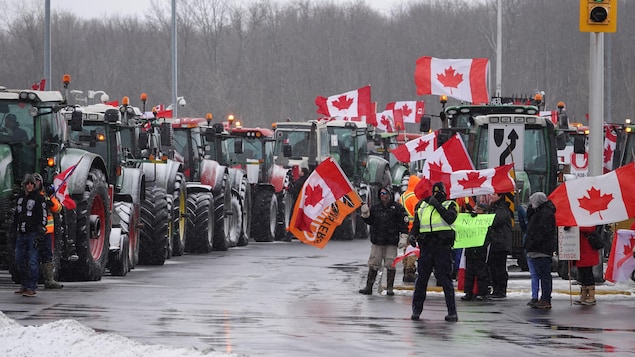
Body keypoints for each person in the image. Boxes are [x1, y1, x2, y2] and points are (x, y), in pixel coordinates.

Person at [409, 182, 459, 322]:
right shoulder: (422, 205)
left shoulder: (450, 204)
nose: (437, 194)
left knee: (445, 279)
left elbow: (450, 218)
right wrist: (412, 235)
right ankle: (416, 310)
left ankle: (452, 312)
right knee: (421, 280)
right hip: (426, 247)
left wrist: (437, 205)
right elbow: (417, 225)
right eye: (434, 191)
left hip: (442, 247)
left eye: (439, 191)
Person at [359, 186, 409, 296]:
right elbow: (370, 221)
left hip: (391, 241)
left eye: (385, 193)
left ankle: (390, 287)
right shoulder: (375, 208)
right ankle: (369, 286)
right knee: (373, 263)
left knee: (390, 264)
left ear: (390, 195)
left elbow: (403, 224)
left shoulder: (398, 208)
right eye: (381, 193)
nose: (383, 196)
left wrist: (404, 237)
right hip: (377, 241)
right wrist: (365, 214)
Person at [12, 174, 48, 297]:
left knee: (33, 260)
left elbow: (43, 215)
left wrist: (41, 229)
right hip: (21, 234)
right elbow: (16, 215)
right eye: (27, 183)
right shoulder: (20, 198)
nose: (29, 186)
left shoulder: (39, 198)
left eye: (32, 184)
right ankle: (24, 284)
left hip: (33, 234)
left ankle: (32, 287)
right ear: (24, 185)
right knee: (19, 259)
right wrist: (13, 230)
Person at [524, 192, 557, 309]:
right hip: (538, 248)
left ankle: (545, 299)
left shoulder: (545, 214)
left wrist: (533, 241)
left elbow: (542, 232)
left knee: (544, 275)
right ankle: (544, 298)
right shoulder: (541, 212)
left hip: (540, 249)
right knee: (541, 274)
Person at [33, 173, 64, 289]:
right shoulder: (30, 196)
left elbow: (58, 208)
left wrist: (51, 203)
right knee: (33, 256)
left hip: (46, 231)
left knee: (47, 255)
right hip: (34, 231)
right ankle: (32, 280)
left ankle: (49, 279)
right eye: (33, 181)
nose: (35, 183)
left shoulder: (47, 196)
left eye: (37, 181)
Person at [462, 203, 491, 301]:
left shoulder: (486, 221)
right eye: (476, 209)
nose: (476, 211)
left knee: (481, 272)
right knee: (469, 273)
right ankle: (468, 292)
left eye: (479, 209)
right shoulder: (472, 219)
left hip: (480, 250)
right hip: (470, 249)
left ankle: (482, 292)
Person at [486, 192, 513, 299]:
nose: (491, 196)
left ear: (500, 196)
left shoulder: (502, 209)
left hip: (500, 243)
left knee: (499, 268)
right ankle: (496, 289)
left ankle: (500, 290)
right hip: (495, 242)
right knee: (494, 267)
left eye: (494, 194)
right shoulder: (495, 208)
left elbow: (494, 221)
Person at [399, 175, 421, 283]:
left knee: (406, 250)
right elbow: (417, 213)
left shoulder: (403, 196)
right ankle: (410, 271)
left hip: (405, 228)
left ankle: (405, 269)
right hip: (412, 228)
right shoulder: (414, 197)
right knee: (412, 250)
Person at [574, 226, 601, 306]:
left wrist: (575, 228)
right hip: (581, 250)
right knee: (583, 274)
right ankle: (584, 296)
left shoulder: (587, 221)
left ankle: (591, 297)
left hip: (587, 250)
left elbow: (590, 228)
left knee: (587, 273)